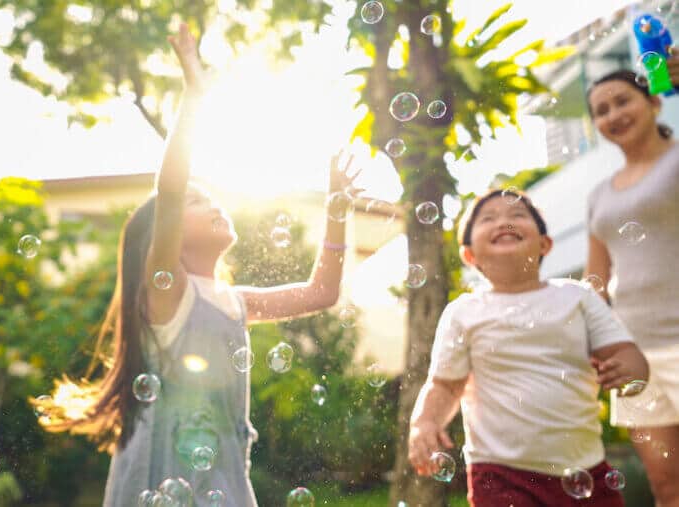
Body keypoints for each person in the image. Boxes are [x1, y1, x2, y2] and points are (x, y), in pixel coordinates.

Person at [33, 23, 364, 507]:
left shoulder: (234, 301)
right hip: (162, 475)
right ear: (163, 236)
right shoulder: (167, 294)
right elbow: (167, 190)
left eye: (211, 197)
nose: (212, 205)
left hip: (224, 478)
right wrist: (194, 96)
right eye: (196, 201)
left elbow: (322, 293)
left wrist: (337, 213)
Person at [408, 188, 649, 506]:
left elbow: (628, 356)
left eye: (518, 215)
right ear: (469, 255)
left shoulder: (577, 297)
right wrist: (424, 422)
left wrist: (629, 369)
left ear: (545, 243)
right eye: (489, 218)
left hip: (585, 468)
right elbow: (445, 385)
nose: (504, 221)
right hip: (499, 474)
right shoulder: (464, 312)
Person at [585, 69, 679, 507]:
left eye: (623, 101)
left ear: (654, 103)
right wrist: (593, 343)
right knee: (666, 487)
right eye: (601, 110)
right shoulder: (599, 195)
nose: (613, 114)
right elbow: (596, 279)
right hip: (635, 357)